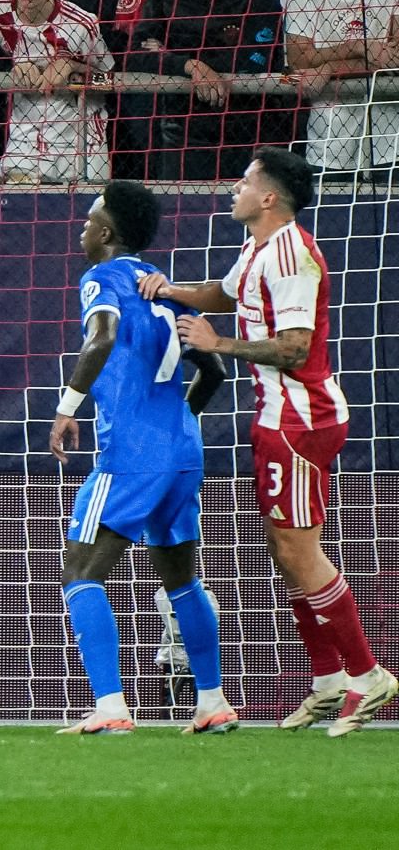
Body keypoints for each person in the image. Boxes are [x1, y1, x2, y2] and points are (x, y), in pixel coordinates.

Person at [143, 150, 397, 735]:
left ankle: (368, 674)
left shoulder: (293, 254)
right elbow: (225, 293)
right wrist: (168, 290)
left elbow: (295, 349)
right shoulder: (258, 247)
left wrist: (218, 345)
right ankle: (328, 682)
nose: (236, 186)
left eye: (247, 180)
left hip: (303, 420)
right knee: (285, 552)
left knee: (299, 552)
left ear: (269, 198)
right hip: (279, 416)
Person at [47, 181, 233, 736]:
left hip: (129, 454)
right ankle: (213, 702)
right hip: (181, 451)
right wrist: (175, 428)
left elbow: (101, 338)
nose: (81, 228)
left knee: (80, 568)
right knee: (180, 578)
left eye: (88, 220)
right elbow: (215, 372)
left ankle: (110, 708)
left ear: (106, 233)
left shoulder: (102, 278)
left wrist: (66, 407)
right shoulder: (166, 290)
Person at [126, 0, 282, 181]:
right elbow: (135, 54)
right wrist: (190, 65)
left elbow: (256, 59)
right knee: (181, 205)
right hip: (183, 128)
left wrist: (169, 55)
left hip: (248, 128)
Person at [0, 0, 114, 184]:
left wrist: (72, 68)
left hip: (82, 140)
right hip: (24, 138)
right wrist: (14, 67)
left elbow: (110, 81)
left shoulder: (82, 24)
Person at [280, 0, 399, 178]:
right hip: (328, 141)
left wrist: (329, 67)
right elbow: (298, 63)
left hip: (392, 140)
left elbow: (394, 59)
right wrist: (358, 47)